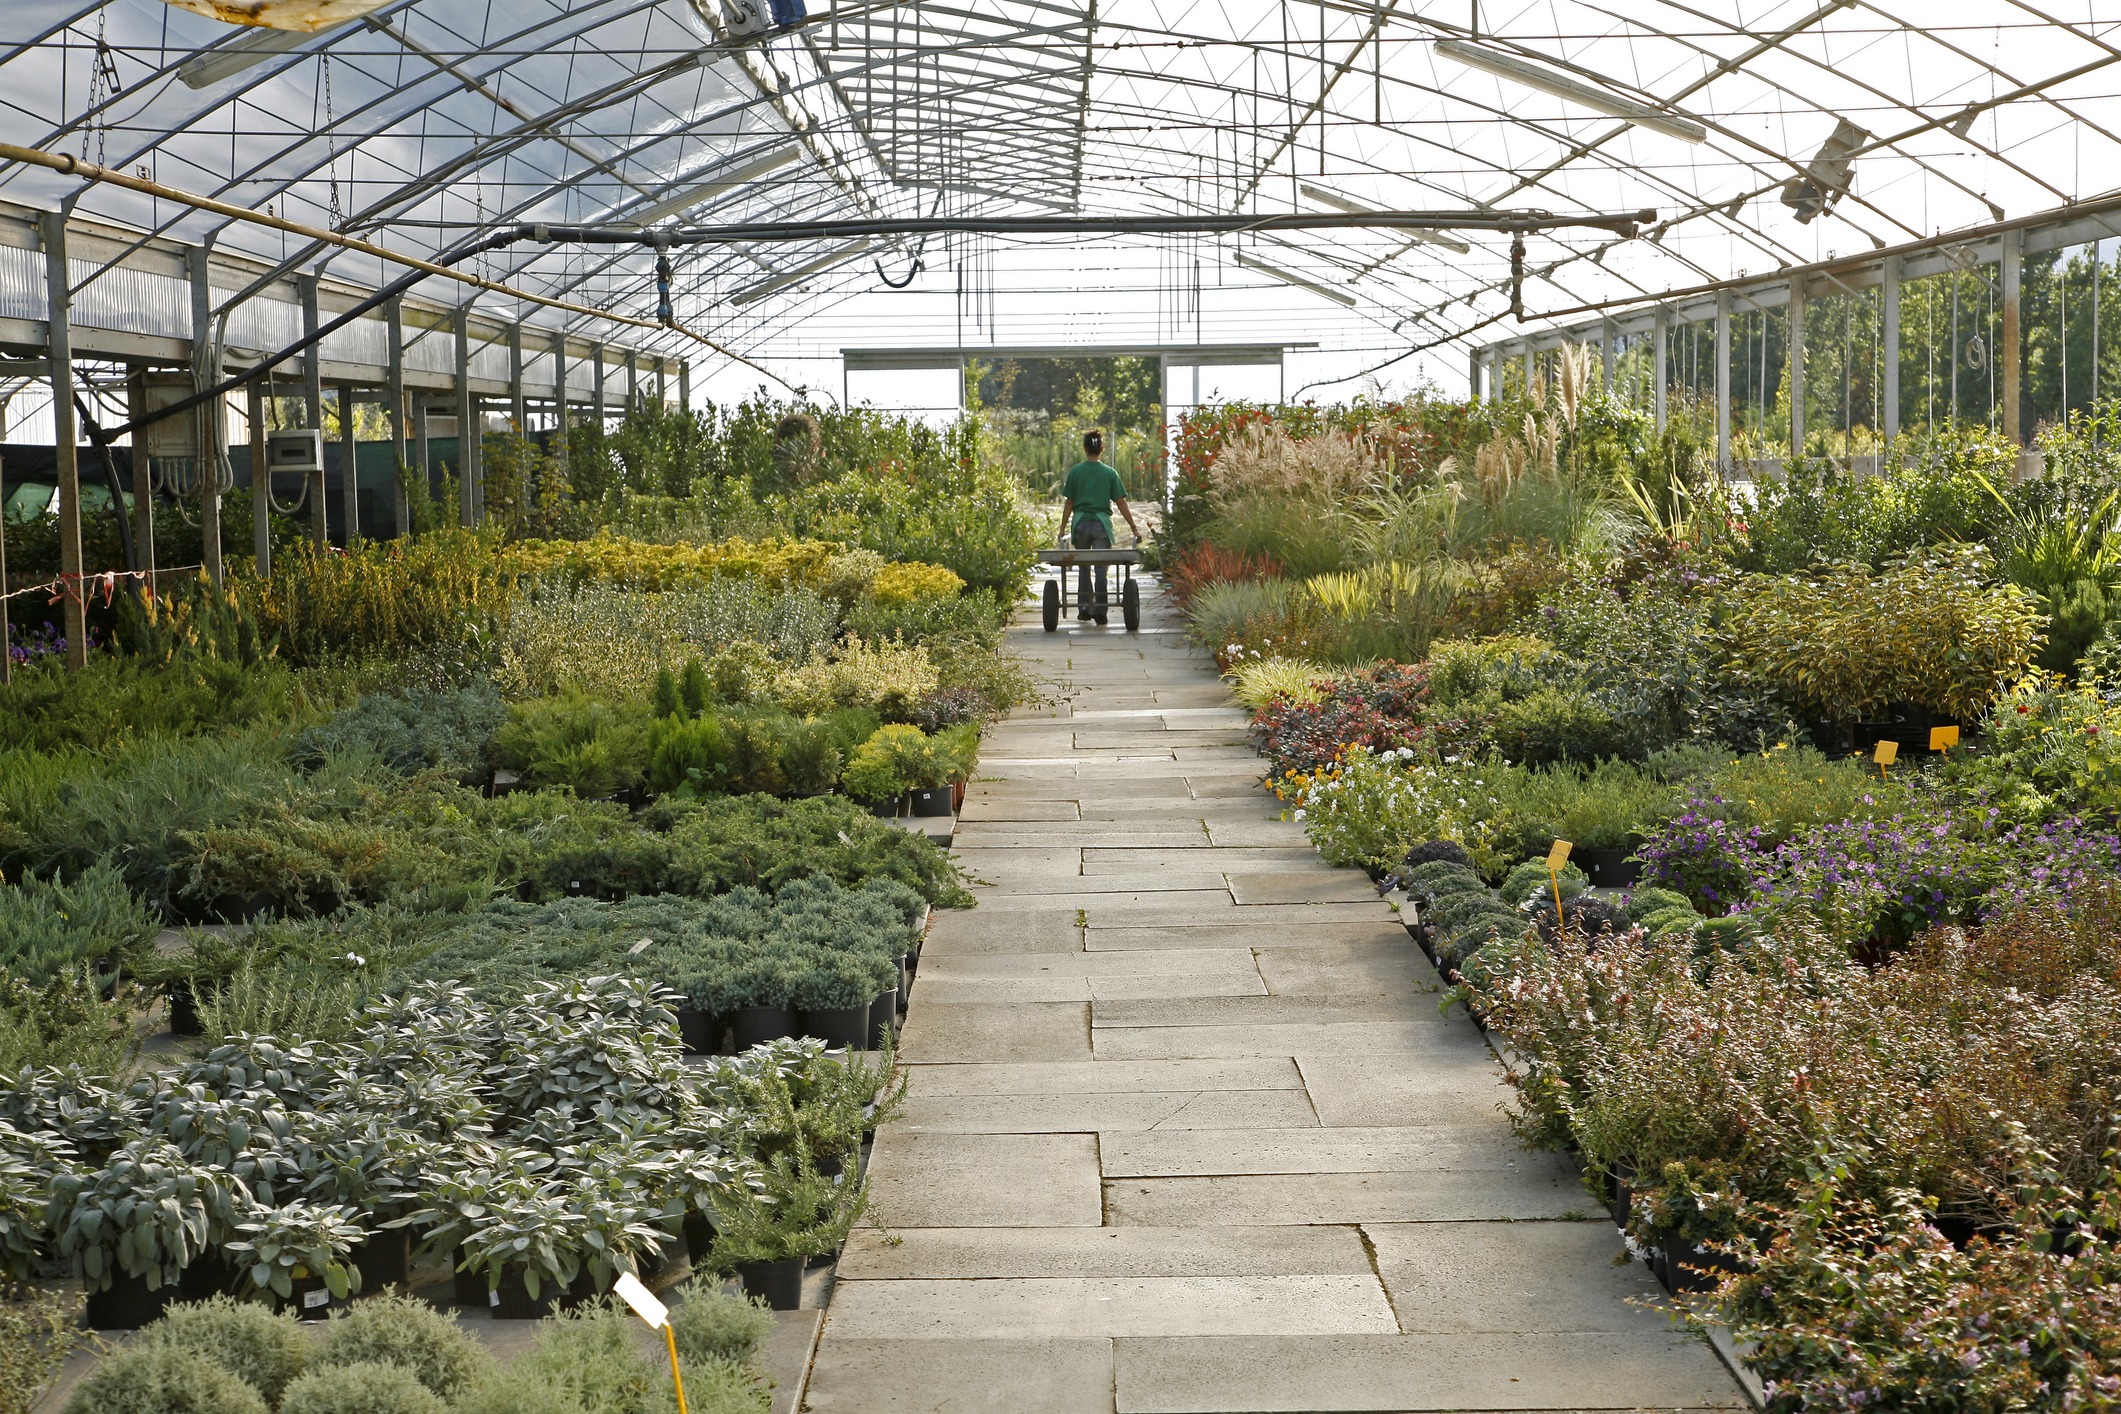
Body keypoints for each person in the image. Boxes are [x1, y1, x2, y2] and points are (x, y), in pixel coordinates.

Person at [1057, 429, 1140, 623]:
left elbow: (1069, 502)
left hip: (1080, 524)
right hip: (1102, 525)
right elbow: (1121, 502)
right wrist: (1134, 527)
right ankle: (1100, 612)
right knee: (1101, 569)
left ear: (1085, 448)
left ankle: (1084, 607)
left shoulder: (1076, 471)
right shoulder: (1109, 473)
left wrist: (1062, 529)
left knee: (1084, 567)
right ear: (1102, 449)